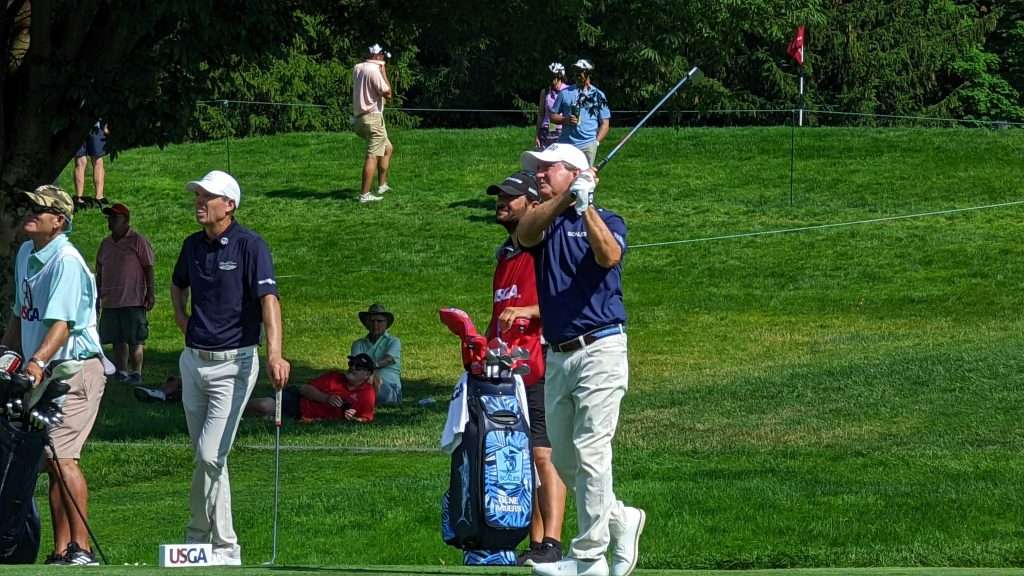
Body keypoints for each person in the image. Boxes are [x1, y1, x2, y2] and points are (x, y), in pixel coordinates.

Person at [516, 144, 644, 576]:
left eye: (547, 168)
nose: (539, 174)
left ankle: (590, 558)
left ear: (573, 172)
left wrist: (586, 206)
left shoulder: (608, 219)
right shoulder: (545, 222)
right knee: (567, 460)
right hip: (557, 356)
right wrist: (565, 199)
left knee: (591, 452)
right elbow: (524, 234)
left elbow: (609, 255)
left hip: (601, 349)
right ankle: (621, 518)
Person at [171, 169, 291, 566]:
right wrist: (181, 318)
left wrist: (275, 354)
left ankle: (210, 542)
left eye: (208, 196)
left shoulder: (250, 245)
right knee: (208, 458)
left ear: (230, 205)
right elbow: (177, 284)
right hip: (193, 362)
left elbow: (269, 302)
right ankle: (212, 547)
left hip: (235, 364)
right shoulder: (192, 246)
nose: (199, 202)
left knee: (209, 455)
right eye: (198, 196)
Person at [0, 185, 106, 566]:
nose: (31, 212)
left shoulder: (66, 261)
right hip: (47, 373)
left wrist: (33, 365)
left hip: (74, 370)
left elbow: (61, 325)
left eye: (40, 209)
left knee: (63, 456)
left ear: (59, 221)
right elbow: (20, 312)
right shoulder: (28, 252)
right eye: (30, 206)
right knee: (48, 456)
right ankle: (62, 550)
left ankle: (83, 549)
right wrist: (6, 352)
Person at [485, 170, 567, 566]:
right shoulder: (505, 255)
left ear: (533, 205)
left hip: (540, 362)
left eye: (511, 197)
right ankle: (535, 543)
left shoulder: (545, 248)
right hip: (506, 369)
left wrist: (529, 312)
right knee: (525, 455)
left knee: (543, 454)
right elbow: (499, 310)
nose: (502, 202)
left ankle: (553, 538)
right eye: (500, 196)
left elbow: (563, 302)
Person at [96, 202, 155, 385]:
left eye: (115, 217)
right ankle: (121, 370)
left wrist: (150, 292)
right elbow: (99, 269)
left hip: (133, 299)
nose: (111, 221)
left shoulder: (137, 240)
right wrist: (97, 295)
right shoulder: (105, 244)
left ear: (126, 220)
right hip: (111, 300)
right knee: (117, 338)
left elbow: (148, 267)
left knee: (135, 338)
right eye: (110, 217)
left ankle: (136, 372)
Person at [247, 353, 376, 422]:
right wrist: (326, 398)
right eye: (351, 364)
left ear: (367, 375)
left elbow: (365, 418)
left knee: (267, 416)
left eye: (358, 367)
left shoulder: (367, 394)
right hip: (298, 402)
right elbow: (304, 389)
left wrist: (351, 417)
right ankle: (236, 409)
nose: (352, 368)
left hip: (304, 417)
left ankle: (248, 416)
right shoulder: (334, 377)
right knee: (264, 405)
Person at [351, 43, 394, 203]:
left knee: (388, 148)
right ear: (378, 56)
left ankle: (382, 185)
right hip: (373, 118)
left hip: (359, 119)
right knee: (372, 155)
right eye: (382, 56)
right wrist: (383, 72)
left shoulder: (358, 67)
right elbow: (388, 93)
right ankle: (365, 195)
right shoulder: (375, 70)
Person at [551, 59, 610, 167]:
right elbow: (552, 116)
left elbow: (605, 123)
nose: (577, 74)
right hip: (566, 144)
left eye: (580, 71)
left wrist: (596, 143)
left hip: (587, 145)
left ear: (588, 73)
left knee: (584, 179)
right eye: (575, 71)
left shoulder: (599, 95)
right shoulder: (564, 93)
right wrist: (565, 119)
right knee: (563, 178)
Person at [350, 303, 402, 405]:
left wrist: (371, 367)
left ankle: (357, 399)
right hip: (363, 383)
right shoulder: (358, 344)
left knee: (371, 381)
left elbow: (388, 359)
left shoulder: (393, 341)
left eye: (379, 321)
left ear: (386, 323)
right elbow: (356, 366)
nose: (375, 325)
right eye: (371, 321)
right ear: (366, 323)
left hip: (390, 388)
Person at [73, 121, 110, 210]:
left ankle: (96, 197)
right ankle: (82, 198)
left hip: (91, 125)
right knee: (84, 161)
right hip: (80, 125)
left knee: (93, 161)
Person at [536, 63, 568, 150]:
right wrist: (537, 135)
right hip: (546, 131)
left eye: (553, 76)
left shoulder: (568, 91)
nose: (550, 79)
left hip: (562, 131)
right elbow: (541, 115)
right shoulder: (545, 92)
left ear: (560, 76)